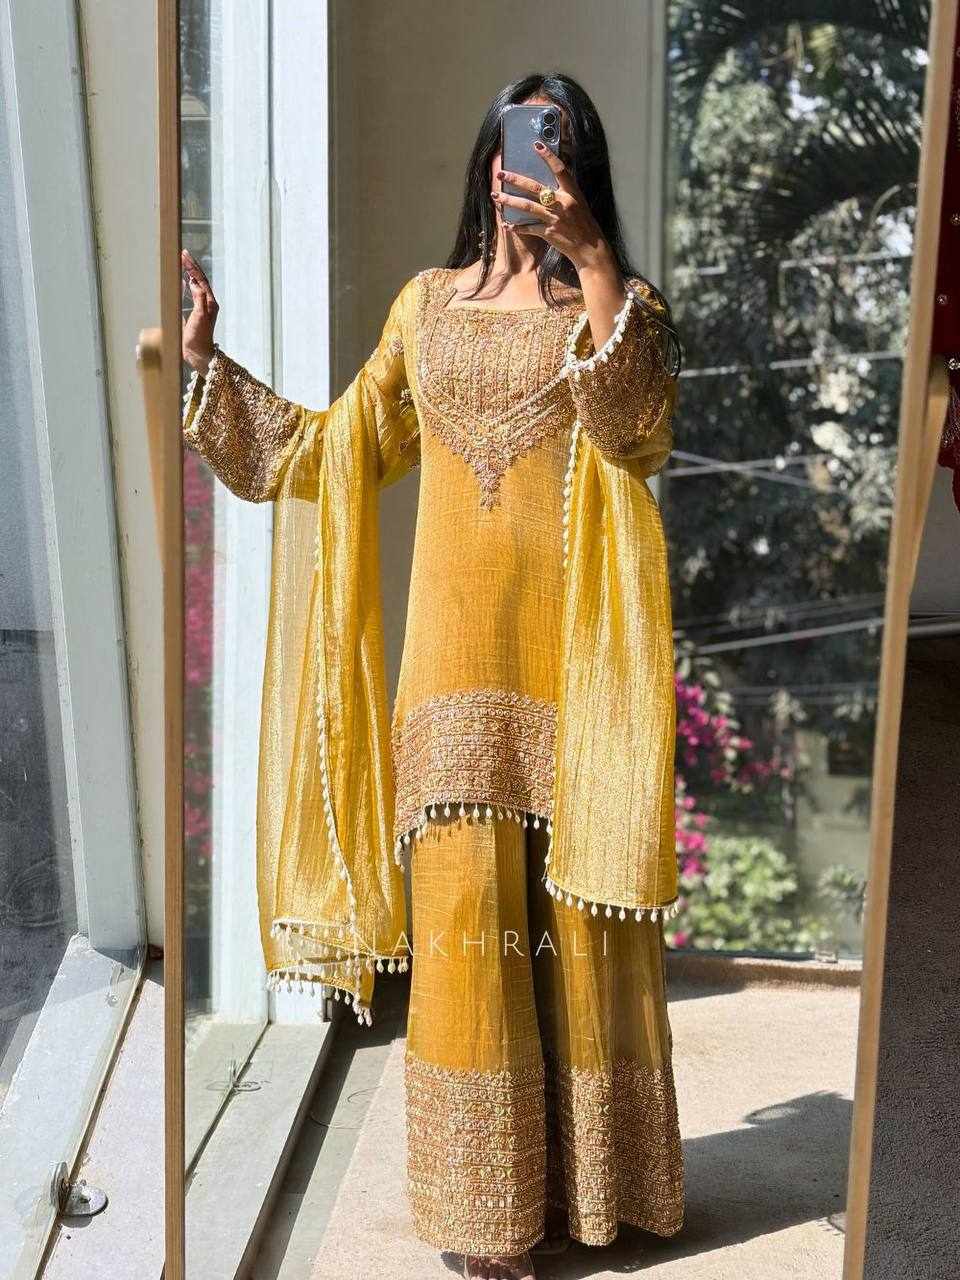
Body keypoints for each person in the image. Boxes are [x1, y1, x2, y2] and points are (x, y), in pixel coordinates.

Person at [181, 71, 684, 1280]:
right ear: (487, 158)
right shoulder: (424, 307)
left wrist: (593, 259)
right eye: (521, 139)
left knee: (580, 939)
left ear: (580, 168)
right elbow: (330, 451)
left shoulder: (620, 305)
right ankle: (487, 1213)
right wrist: (209, 365)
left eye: (559, 143)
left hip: (575, 674)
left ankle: (601, 1190)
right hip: (450, 684)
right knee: (466, 940)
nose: (536, 162)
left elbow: (636, 431)